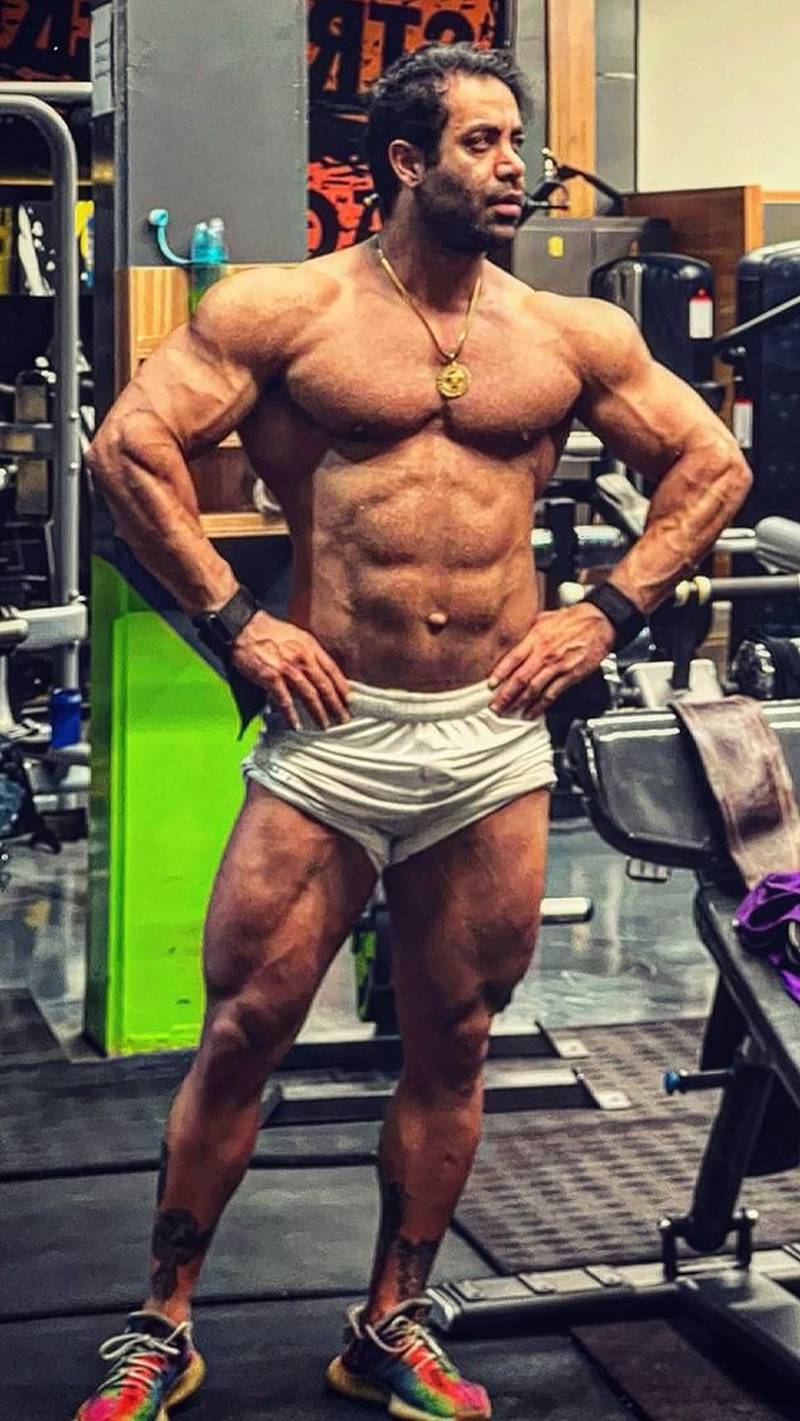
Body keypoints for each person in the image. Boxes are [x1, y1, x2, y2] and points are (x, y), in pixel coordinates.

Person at [76, 40, 751, 1421]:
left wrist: (607, 613)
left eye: (520, 145)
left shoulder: (569, 334)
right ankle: (163, 1324)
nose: (516, 170)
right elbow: (128, 448)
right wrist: (238, 623)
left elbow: (711, 463)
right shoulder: (288, 310)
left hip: (491, 738)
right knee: (245, 1028)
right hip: (335, 735)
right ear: (404, 161)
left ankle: (391, 1322)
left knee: (457, 1037)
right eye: (483, 144)